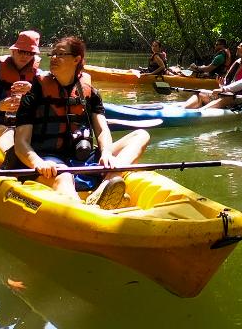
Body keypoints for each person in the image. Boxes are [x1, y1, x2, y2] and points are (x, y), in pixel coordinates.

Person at [12, 35, 151, 208]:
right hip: (48, 161)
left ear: (77, 59)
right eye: (52, 54)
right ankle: (86, 211)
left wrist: (106, 153)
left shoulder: (90, 93)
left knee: (140, 135)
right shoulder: (34, 94)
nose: (54, 58)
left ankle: (108, 182)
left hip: (82, 157)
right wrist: (38, 163)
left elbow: (102, 130)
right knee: (64, 177)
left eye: (60, 54)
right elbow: (21, 143)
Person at [180, 39, 242, 110]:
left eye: (240, 46)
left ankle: (200, 112)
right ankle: (183, 110)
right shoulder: (238, 62)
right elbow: (228, 83)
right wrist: (221, 85)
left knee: (228, 96)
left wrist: (224, 89)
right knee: (200, 93)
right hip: (229, 94)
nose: (237, 47)